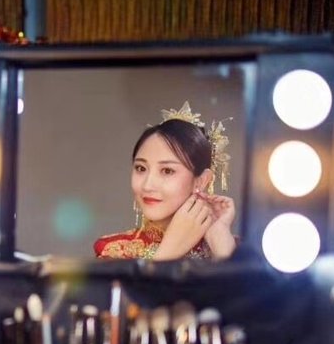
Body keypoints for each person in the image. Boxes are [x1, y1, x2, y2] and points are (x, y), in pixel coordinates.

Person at [93, 102, 237, 260]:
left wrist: (220, 242)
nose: (147, 185)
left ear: (201, 181)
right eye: (141, 168)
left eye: (167, 171)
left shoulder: (235, 249)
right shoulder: (114, 251)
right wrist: (168, 251)